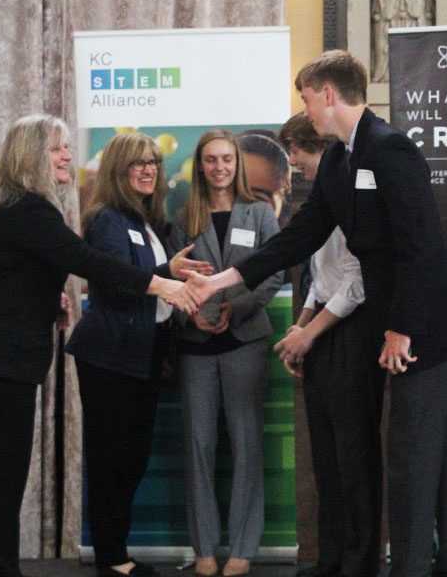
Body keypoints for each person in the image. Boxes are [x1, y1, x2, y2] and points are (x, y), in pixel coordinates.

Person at [185, 50, 447, 577]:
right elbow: (300, 235)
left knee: (413, 459)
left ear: (328, 94)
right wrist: (223, 279)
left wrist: (400, 329)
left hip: (432, 322)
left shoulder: (391, 149)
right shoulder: (342, 159)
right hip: (408, 316)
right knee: (437, 459)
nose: (306, 109)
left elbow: (420, 248)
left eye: (306, 97)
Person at [0, 114, 198, 577]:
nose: (67, 155)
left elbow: (6, 272)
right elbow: (85, 259)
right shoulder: (29, 209)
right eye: (57, 148)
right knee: (6, 468)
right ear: (31, 153)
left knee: (3, 467)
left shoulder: (16, 207)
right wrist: (161, 286)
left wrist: (49, 294)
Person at [65, 132, 212, 577]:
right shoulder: (108, 220)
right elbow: (115, 281)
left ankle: (117, 551)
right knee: (112, 459)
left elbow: (154, 288)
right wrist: (166, 272)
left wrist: (173, 274)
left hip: (141, 357)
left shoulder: (149, 221)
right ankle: (112, 558)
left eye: (152, 162)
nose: (149, 169)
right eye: (137, 163)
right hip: (109, 357)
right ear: (118, 170)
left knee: (131, 457)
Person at [168, 128, 283, 577]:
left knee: (246, 444)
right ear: (200, 165)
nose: (220, 167)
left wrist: (234, 308)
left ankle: (242, 549)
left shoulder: (259, 214)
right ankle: (203, 549)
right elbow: (174, 282)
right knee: (199, 446)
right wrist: (192, 315)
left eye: (227, 159)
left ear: (237, 163)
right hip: (195, 346)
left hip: (245, 341)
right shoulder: (183, 217)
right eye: (211, 160)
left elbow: (272, 275)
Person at [276, 113, 384, 577]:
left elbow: (357, 284)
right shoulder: (321, 201)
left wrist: (310, 332)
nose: (292, 165)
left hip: (355, 333)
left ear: (312, 147)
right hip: (323, 329)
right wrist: (299, 331)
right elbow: (321, 280)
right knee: (325, 454)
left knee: (354, 453)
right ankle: (331, 556)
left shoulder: (355, 196)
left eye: (294, 154)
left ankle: (361, 562)